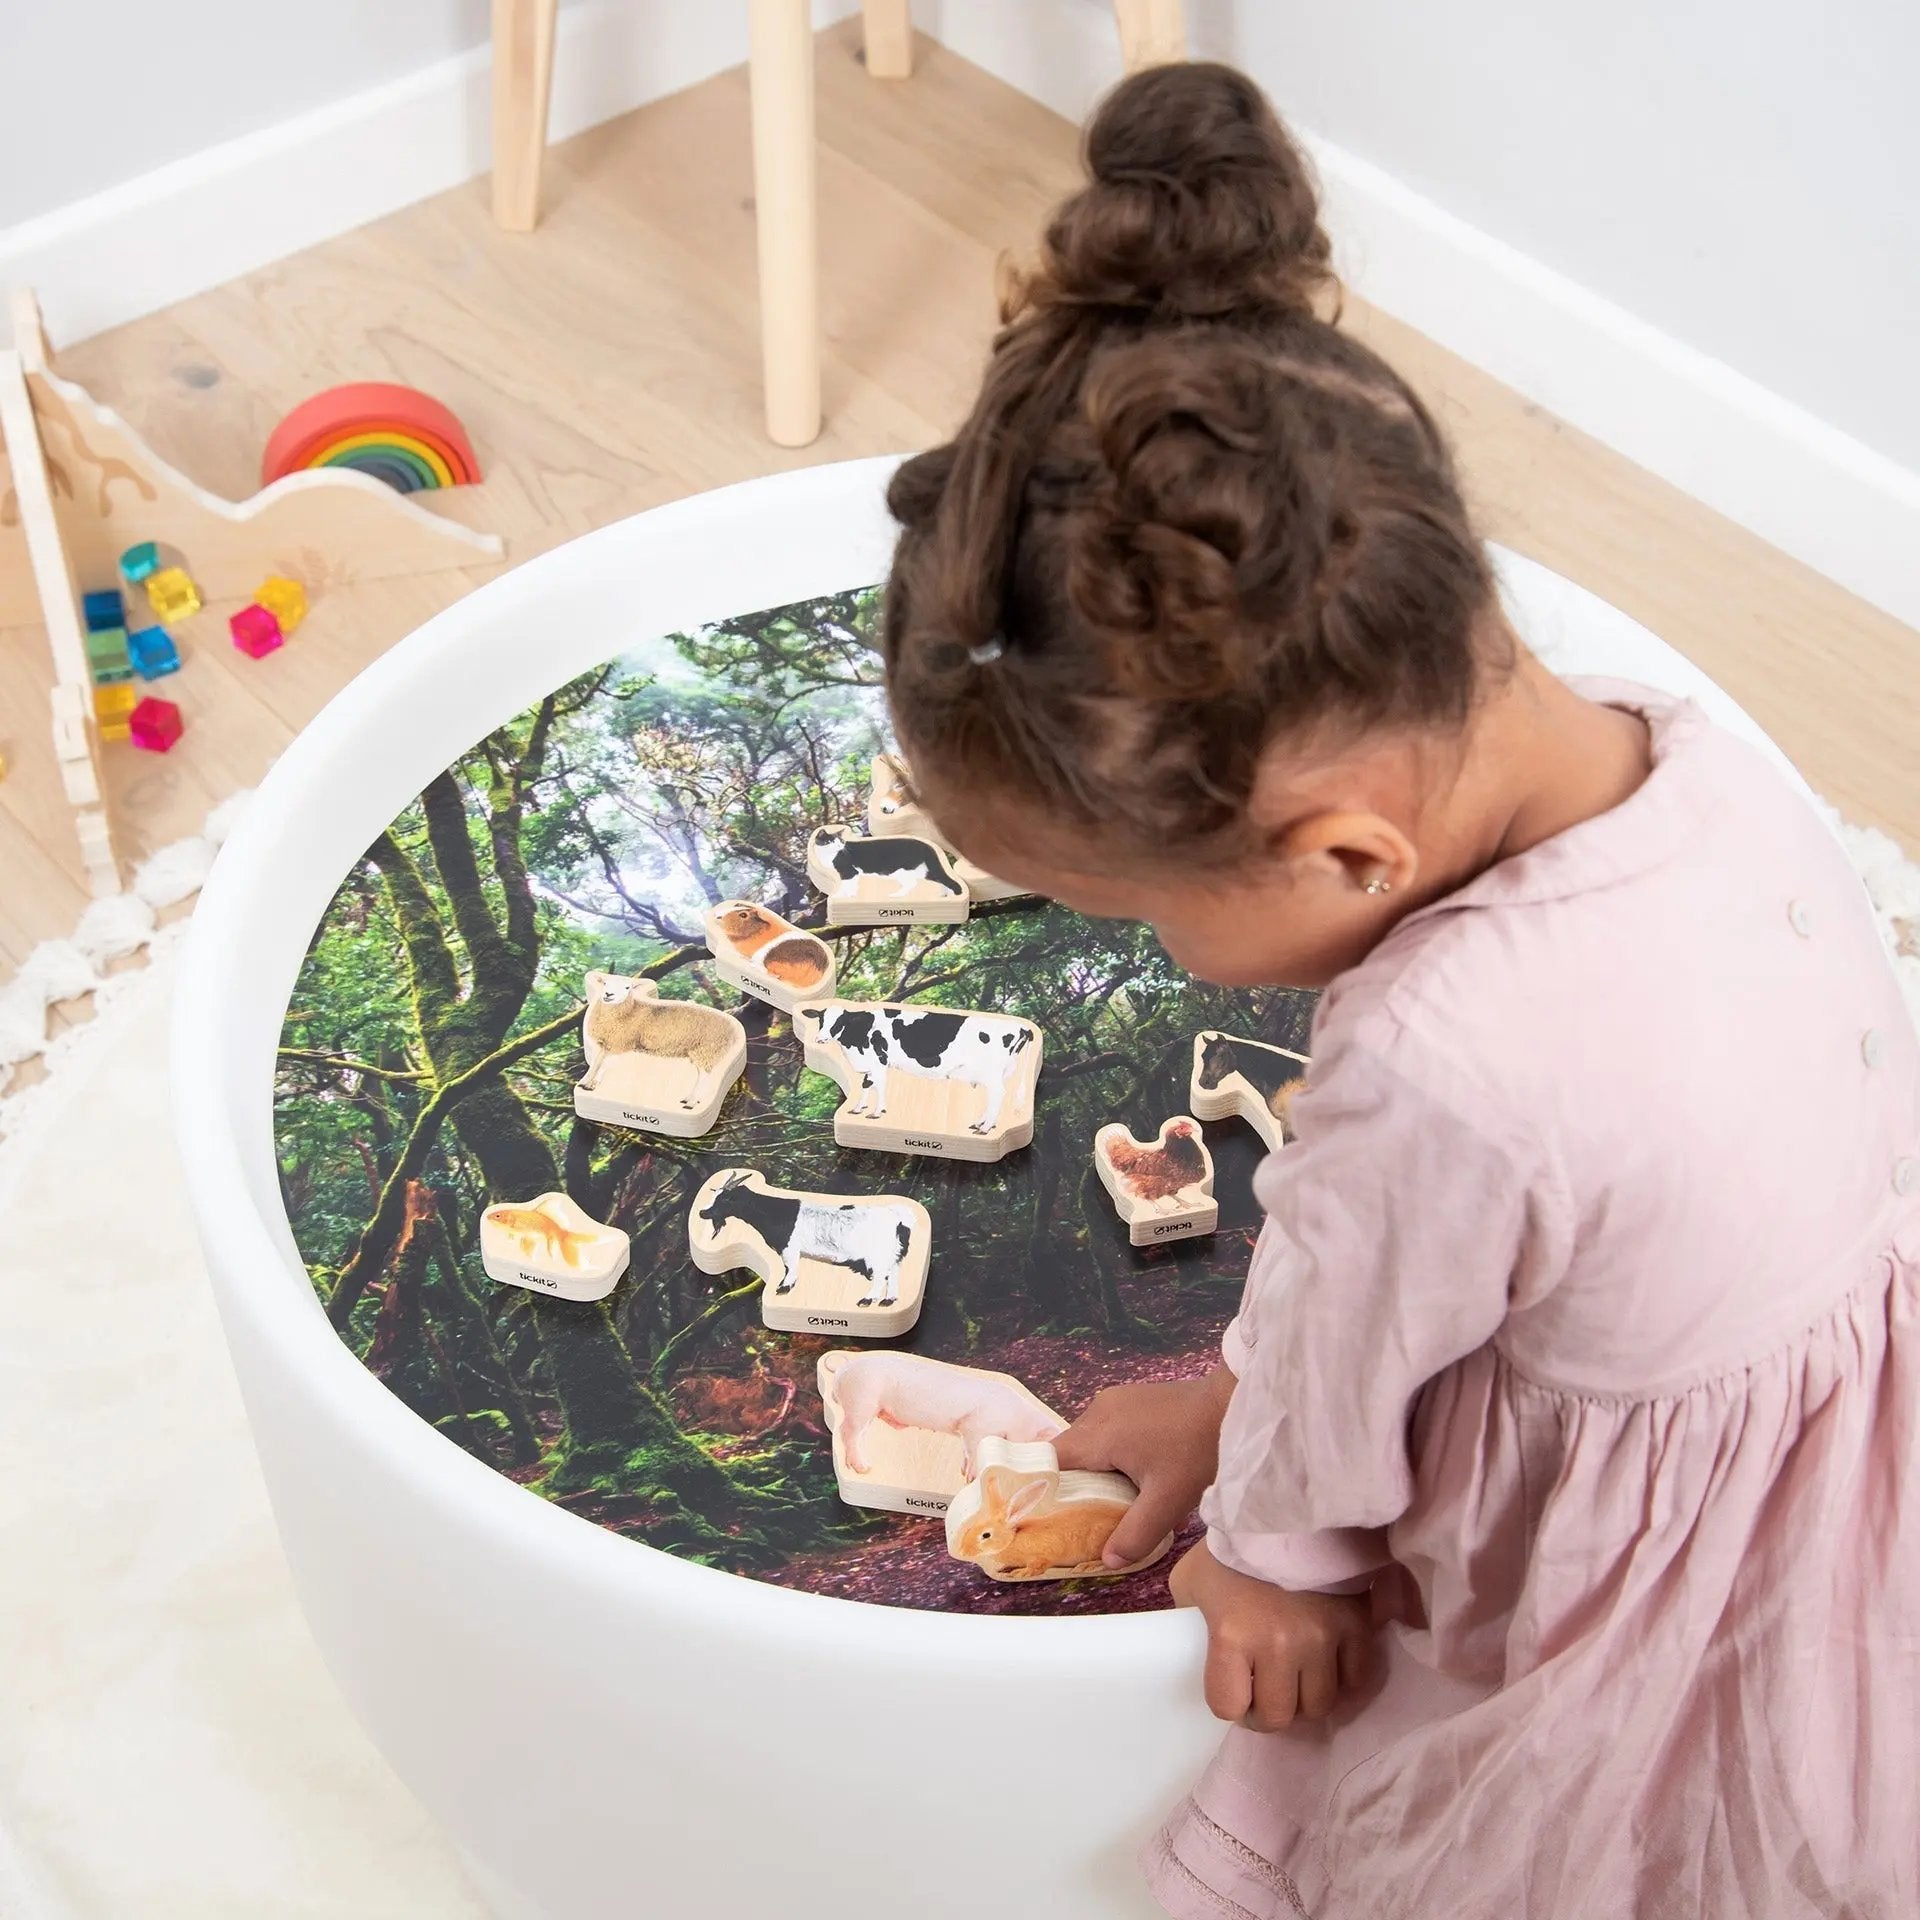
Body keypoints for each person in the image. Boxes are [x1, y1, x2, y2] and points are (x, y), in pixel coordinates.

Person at [876, 58, 1919, 1920]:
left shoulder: (1438, 1057)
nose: (1155, 957)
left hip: (1661, 1572)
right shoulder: (1704, 757)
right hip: (1839, 1451)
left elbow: (1354, 1367)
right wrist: (1220, 1400)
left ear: (1346, 855)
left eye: (1148, 915)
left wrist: (1270, 1556)